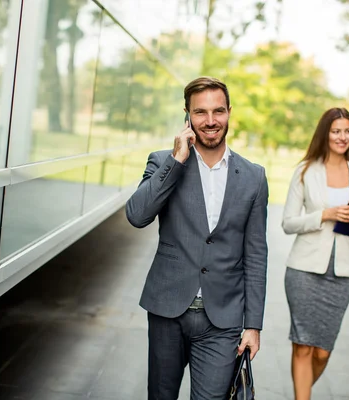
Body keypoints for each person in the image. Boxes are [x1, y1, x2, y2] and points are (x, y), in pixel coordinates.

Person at [126, 76, 268, 399]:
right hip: (168, 309)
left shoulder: (253, 177)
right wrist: (177, 160)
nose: (211, 121)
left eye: (218, 111)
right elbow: (137, 215)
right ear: (187, 116)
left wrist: (254, 325)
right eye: (200, 112)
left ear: (229, 112)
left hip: (222, 320)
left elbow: (257, 255)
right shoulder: (164, 162)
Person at [281, 107, 349, 400]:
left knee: (322, 353)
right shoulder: (306, 171)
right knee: (303, 345)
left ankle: (303, 391)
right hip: (304, 271)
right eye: (336, 131)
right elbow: (287, 223)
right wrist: (324, 214)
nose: (342, 137)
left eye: (347, 131)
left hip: (342, 274)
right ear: (326, 133)